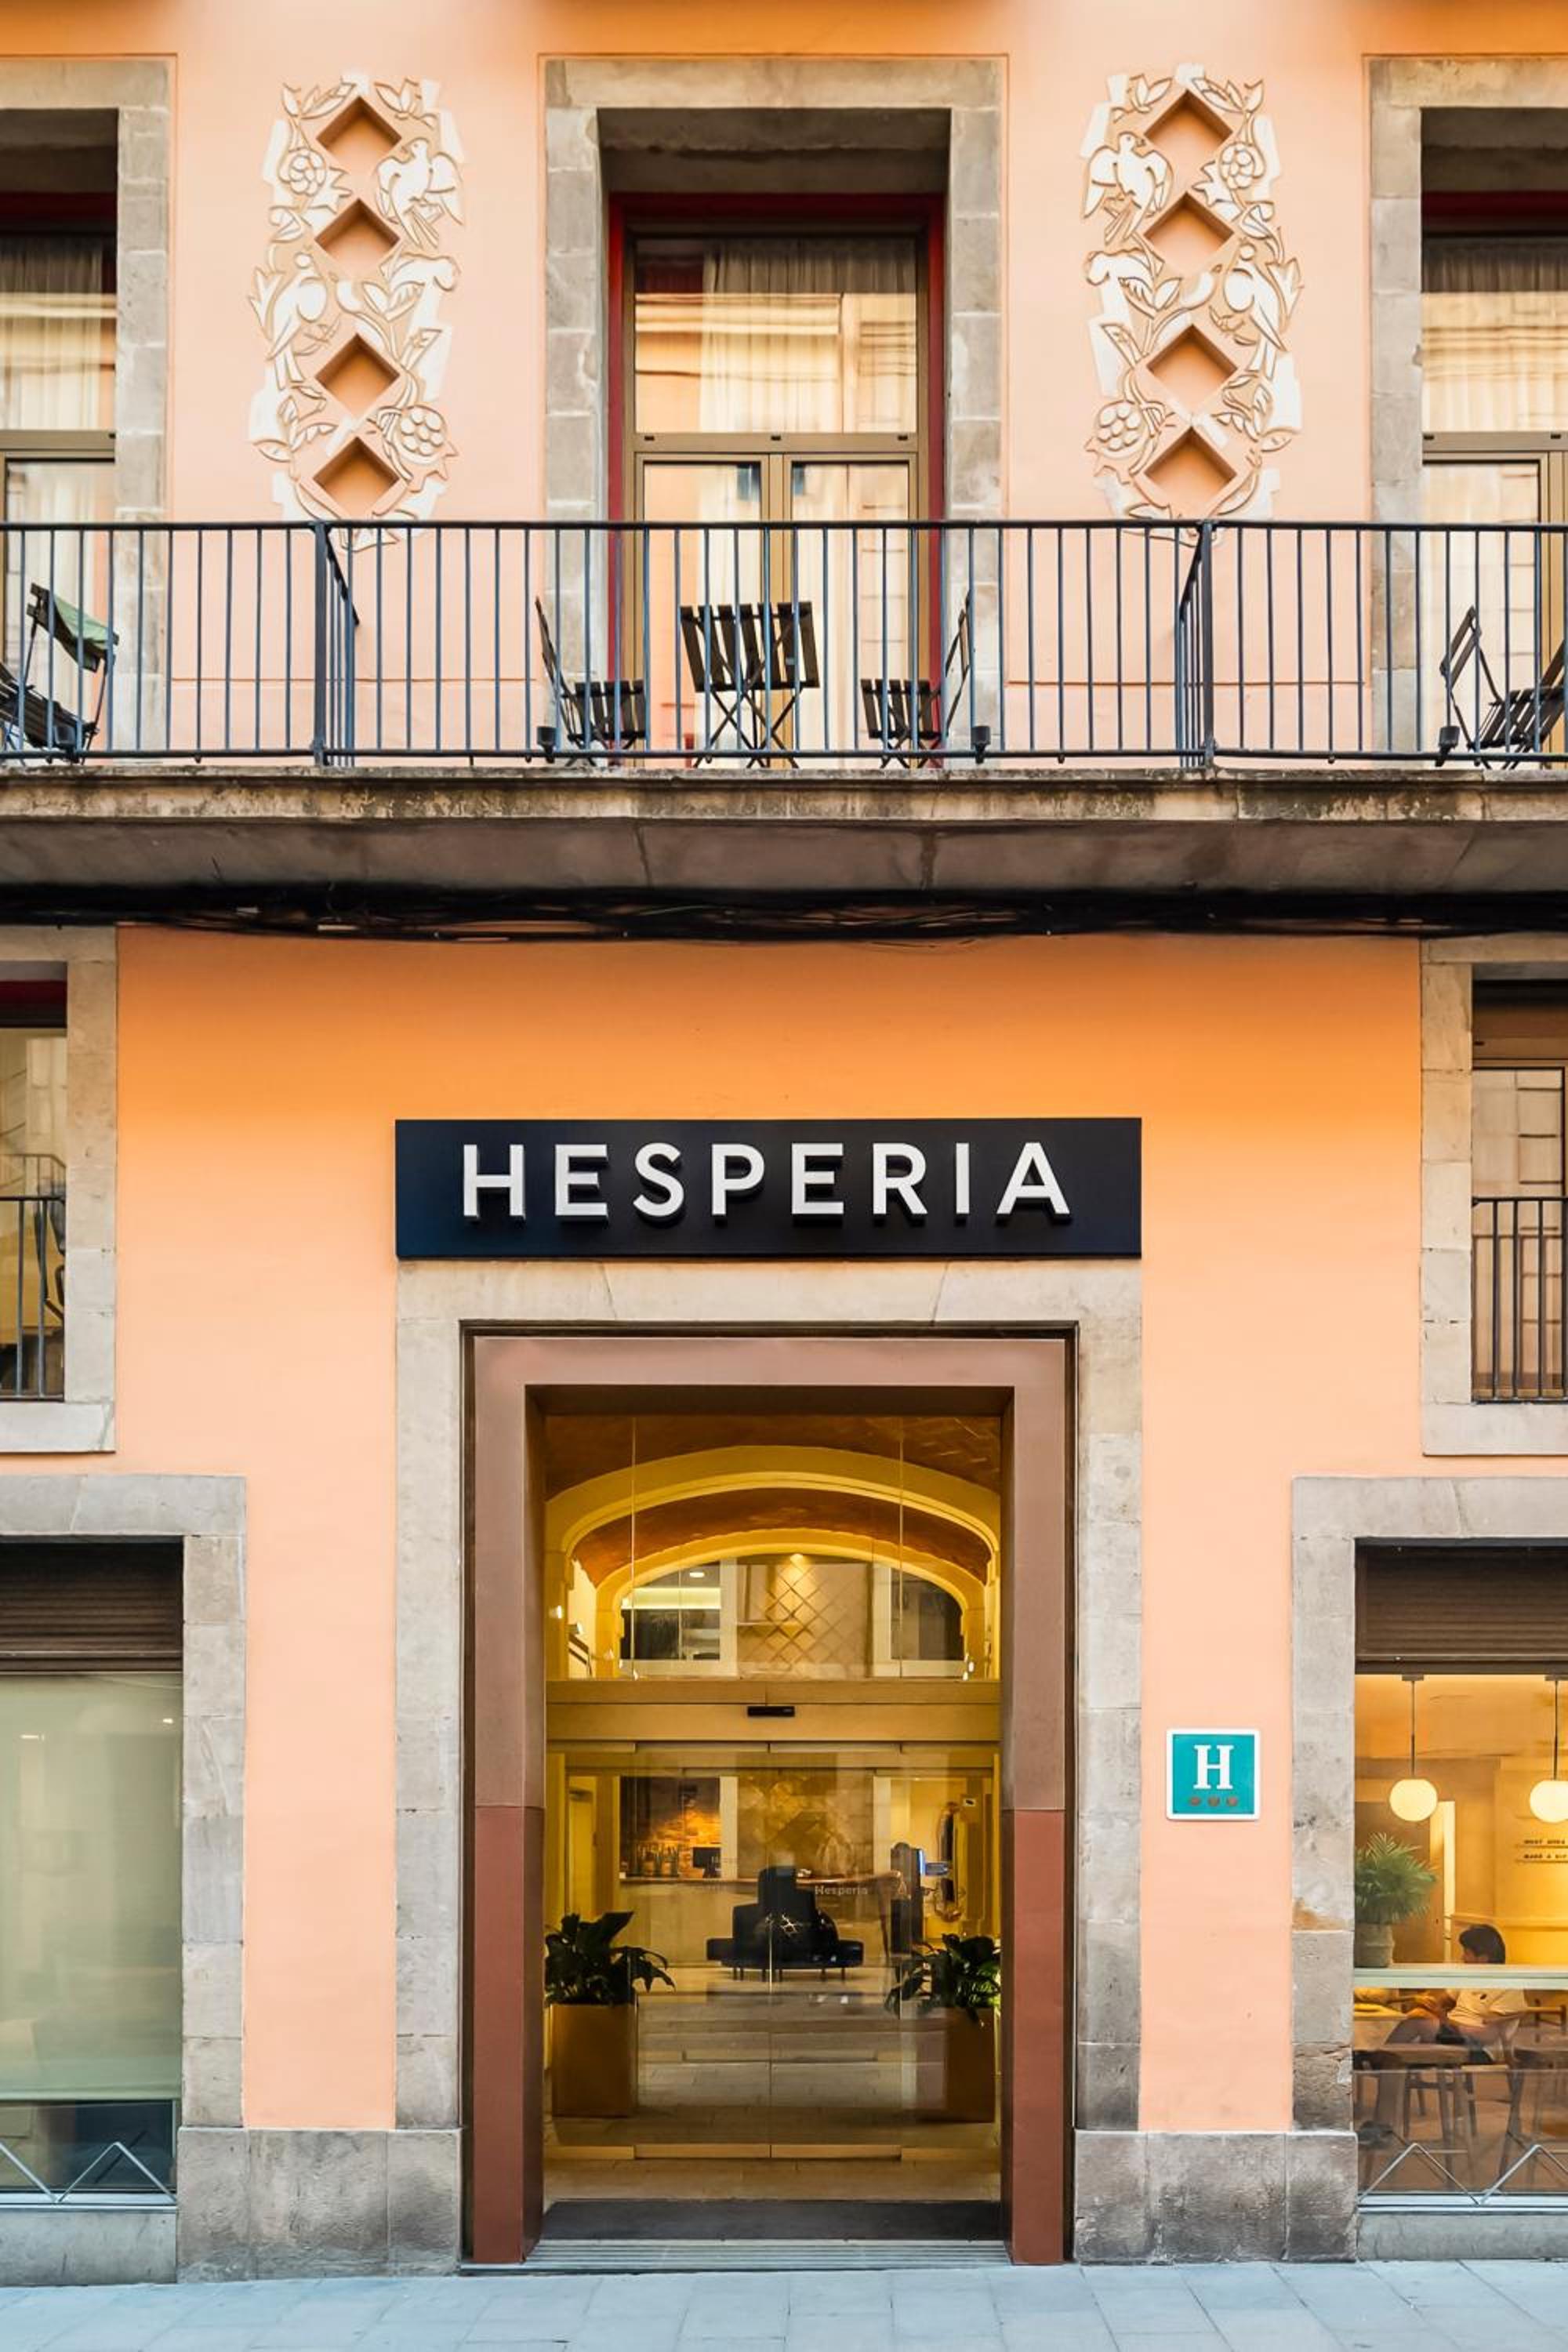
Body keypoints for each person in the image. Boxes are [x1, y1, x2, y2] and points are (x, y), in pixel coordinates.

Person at [1361, 1924, 1528, 2143]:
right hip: (1452, 2036)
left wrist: (1447, 2021)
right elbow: (1444, 2000)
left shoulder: (1508, 1985)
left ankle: (1375, 2058)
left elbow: (1488, 2036)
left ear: (1483, 1958)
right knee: (1397, 2057)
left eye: (1467, 1953)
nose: (1463, 1958)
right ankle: (1382, 2124)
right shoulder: (1472, 1977)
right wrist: (1431, 2003)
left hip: (1477, 2047)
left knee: (1418, 2022)